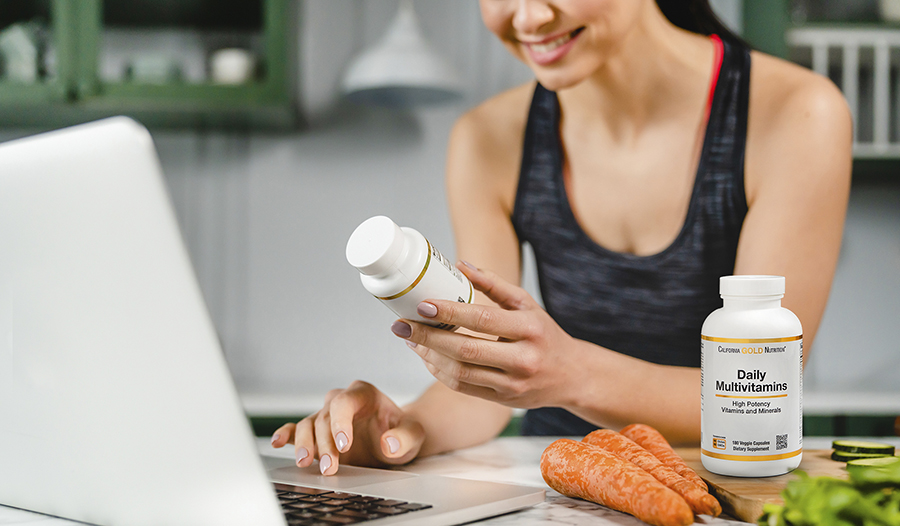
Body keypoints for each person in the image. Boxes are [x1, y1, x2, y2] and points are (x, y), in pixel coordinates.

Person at [272, 0, 852, 475]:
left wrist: (569, 373)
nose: (526, 19)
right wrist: (400, 429)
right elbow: (489, 375)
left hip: (719, 481)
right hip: (556, 484)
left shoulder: (795, 114)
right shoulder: (488, 140)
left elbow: (761, 396)